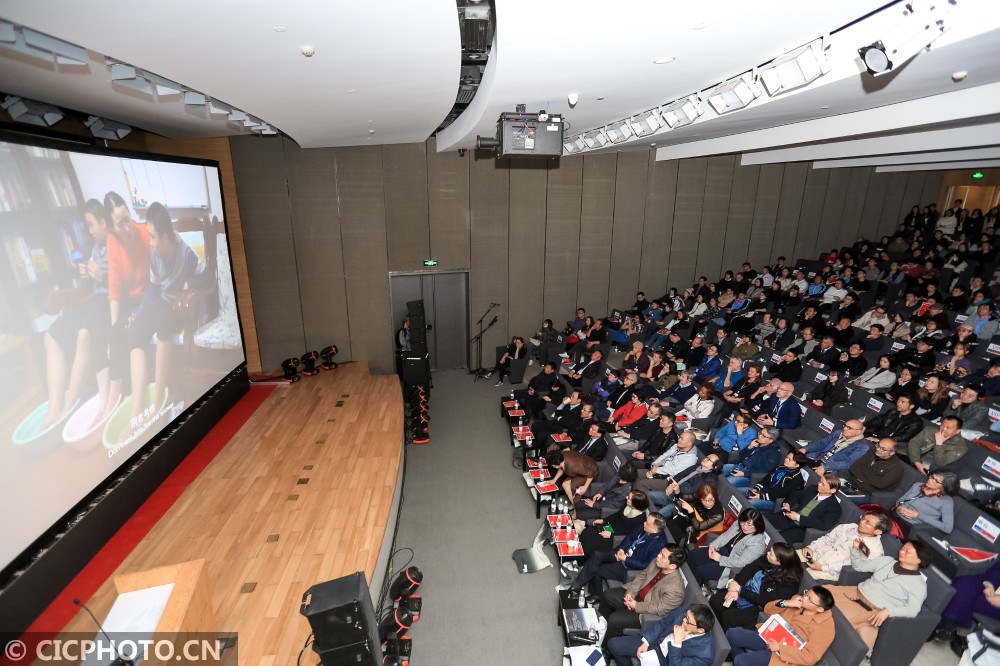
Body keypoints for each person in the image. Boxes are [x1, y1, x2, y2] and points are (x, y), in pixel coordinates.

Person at [124, 202, 200, 434]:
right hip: (161, 302)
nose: (151, 242)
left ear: (167, 237)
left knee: (164, 320)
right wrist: (138, 313)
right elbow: (153, 289)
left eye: (154, 237)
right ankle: (137, 413)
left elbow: (204, 278)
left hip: (177, 308)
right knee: (135, 334)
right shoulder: (154, 253)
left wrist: (189, 287)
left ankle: (156, 405)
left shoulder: (187, 255)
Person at [41, 199, 114, 428]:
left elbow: (126, 289)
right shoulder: (95, 249)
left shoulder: (117, 246)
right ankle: (53, 410)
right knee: (50, 336)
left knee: (84, 334)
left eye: (92, 225)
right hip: (92, 302)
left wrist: (99, 276)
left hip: (110, 303)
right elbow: (91, 287)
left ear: (103, 222)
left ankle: (67, 408)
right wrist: (86, 276)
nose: (90, 231)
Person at [827, 540, 932, 656]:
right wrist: (856, 549)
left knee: (840, 621)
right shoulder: (887, 561)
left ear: (919, 560)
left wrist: (889, 611)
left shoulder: (918, 584)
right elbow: (859, 566)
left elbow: (913, 609)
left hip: (871, 609)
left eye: (908, 551)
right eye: (903, 548)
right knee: (822, 593)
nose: (902, 551)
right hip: (854, 593)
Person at [598, 544, 687, 646]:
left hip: (646, 609)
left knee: (614, 619)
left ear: (672, 566)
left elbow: (659, 608)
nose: (658, 556)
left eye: (663, 556)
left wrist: (636, 605)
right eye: (660, 553)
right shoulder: (656, 562)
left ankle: (605, 648)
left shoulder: (676, 589)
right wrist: (630, 593)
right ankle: (600, 626)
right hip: (636, 594)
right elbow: (642, 576)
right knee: (607, 595)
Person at [725, 587, 836, 666]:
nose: (804, 598)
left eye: (809, 599)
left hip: (785, 656)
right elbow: (767, 610)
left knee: (741, 660)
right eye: (806, 593)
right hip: (769, 636)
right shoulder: (797, 601)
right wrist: (786, 603)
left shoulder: (826, 627)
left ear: (820, 609)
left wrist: (780, 648)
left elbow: (810, 657)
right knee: (731, 634)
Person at [709, 543, 804, 631]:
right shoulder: (767, 559)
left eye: (771, 553)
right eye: (770, 550)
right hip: (746, 591)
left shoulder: (789, 582)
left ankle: (723, 639)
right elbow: (749, 569)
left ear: (779, 562)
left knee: (728, 617)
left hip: (759, 607)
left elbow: (765, 600)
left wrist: (740, 590)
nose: (767, 553)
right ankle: (713, 629)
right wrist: (736, 585)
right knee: (715, 600)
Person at [572, 513, 668, 596]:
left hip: (628, 567)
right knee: (597, 555)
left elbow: (646, 565)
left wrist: (625, 559)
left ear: (655, 529)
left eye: (647, 523)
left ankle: (590, 593)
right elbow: (630, 537)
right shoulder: (644, 528)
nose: (644, 523)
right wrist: (622, 549)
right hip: (621, 553)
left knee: (596, 568)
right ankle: (581, 587)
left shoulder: (660, 545)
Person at [607, 604, 715, 666]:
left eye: (688, 620)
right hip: (656, 641)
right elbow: (663, 623)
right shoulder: (685, 610)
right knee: (613, 644)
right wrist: (646, 642)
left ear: (700, 630)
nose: (683, 620)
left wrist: (677, 643)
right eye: (685, 616)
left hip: (665, 661)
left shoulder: (705, 655)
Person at [931, 560, 1000, 657]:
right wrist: (990, 584)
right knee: (964, 581)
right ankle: (947, 627)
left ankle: (944, 626)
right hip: (994, 590)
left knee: (967, 596)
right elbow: (998, 569)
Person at [687, 508, 769, 585]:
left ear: (757, 525)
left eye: (749, 525)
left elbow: (741, 562)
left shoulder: (757, 543)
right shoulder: (738, 524)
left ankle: (692, 590)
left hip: (731, 566)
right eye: (743, 523)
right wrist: (713, 546)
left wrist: (720, 558)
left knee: (701, 570)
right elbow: (725, 536)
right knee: (692, 555)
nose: (745, 527)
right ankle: (686, 580)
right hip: (721, 551)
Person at [799, 513, 888, 581]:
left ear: (877, 531)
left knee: (800, 577)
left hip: (832, 570)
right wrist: (812, 547)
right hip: (820, 553)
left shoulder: (874, 551)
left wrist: (822, 568)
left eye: (867, 522)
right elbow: (828, 538)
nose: (861, 522)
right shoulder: (849, 527)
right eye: (863, 518)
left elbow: (850, 564)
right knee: (788, 556)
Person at [764, 473, 843, 545]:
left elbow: (823, 525)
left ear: (832, 490)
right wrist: (787, 504)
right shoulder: (812, 489)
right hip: (789, 518)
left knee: (778, 540)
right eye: (820, 481)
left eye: (823, 484)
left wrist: (798, 518)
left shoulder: (834, 508)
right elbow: (795, 495)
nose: (819, 484)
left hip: (803, 529)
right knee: (761, 519)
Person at [578, 489, 650, 557]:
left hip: (615, 537)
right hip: (609, 527)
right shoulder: (627, 505)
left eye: (629, 498)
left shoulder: (641, 519)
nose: (626, 497)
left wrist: (611, 535)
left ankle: (580, 560)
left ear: (635, 504)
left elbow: (630, 534)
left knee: (590, 544)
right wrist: (603, 520)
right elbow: (616, 515)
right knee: (587, 532)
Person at [737, 451, 810, 511]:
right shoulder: (781, 467)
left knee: (747, 503)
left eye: (789, 459)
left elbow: (782, 493)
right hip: (762, 491)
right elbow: (767, 479)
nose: (786, 459)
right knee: (737, 492)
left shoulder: (797, 479)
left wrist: (760, 496)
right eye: (786, 457)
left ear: (797, 465)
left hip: (772, 500)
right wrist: (756, 489)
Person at [894, 470, 959, 535]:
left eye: (936, 481)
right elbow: (900, 500)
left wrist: (917, 515)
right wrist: (899, 508)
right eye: (932, 476)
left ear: (944, 487)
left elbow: (947, 528)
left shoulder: (947, 501)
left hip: (911, 527)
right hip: (896, 516)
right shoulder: (918, 485)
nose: (930, 480)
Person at [636, 431, 700, 493]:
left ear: (689, 443)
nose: (679, 440)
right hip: (659, 469)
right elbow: (664, 456)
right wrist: (655, 465)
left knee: (642, 484)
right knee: (635, 473)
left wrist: (655, 471)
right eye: (679, 437)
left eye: (682, 439)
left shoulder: (690, 458)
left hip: (668, 479)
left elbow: (672, 470)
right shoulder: (677, 445)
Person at [905, 416, 970, 474]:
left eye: (948, 427)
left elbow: (940, 462)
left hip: (927, 467)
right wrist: (916, 462)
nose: (943, 429)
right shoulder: (929, 430)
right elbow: (914, 443)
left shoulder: (960, 447)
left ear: (957, 431)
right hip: (909, 455)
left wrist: (939, 443)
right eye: (942, 425)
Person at [799, 420, 868, 474]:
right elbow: (822, 443)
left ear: (858, 432)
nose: (844, 428)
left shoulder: (862, 446)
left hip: (831, 468)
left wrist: (825, 467)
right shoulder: (838, 433)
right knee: (795, 458)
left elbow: (848, 463)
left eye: (849, 428)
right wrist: (806, 449)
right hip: (818, 457)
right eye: (845, 425)